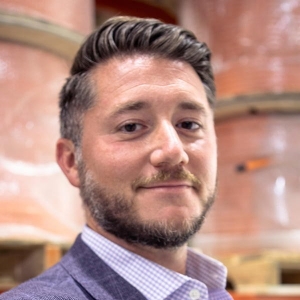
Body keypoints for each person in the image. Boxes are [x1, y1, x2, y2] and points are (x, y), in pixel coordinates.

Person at [0, 16, 232, 300]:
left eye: (189, 125)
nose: (173, 151)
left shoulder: (213, 293)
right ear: (72, 162)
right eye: (131, 126)